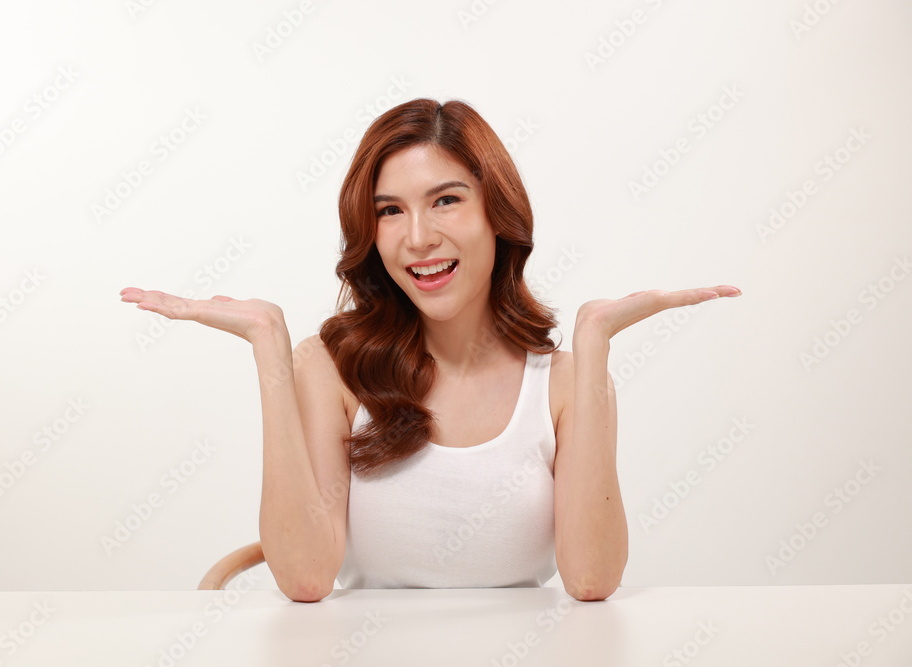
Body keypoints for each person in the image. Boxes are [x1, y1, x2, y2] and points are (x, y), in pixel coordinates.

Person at [120, 98, 741, 603]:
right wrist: (270, 349)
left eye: (446, 200)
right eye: (390, 211)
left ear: (497, 213)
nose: (418, 238)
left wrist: (595, 344)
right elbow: (306, 578)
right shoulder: (331, 369)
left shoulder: (565, 381)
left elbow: (591, 580)